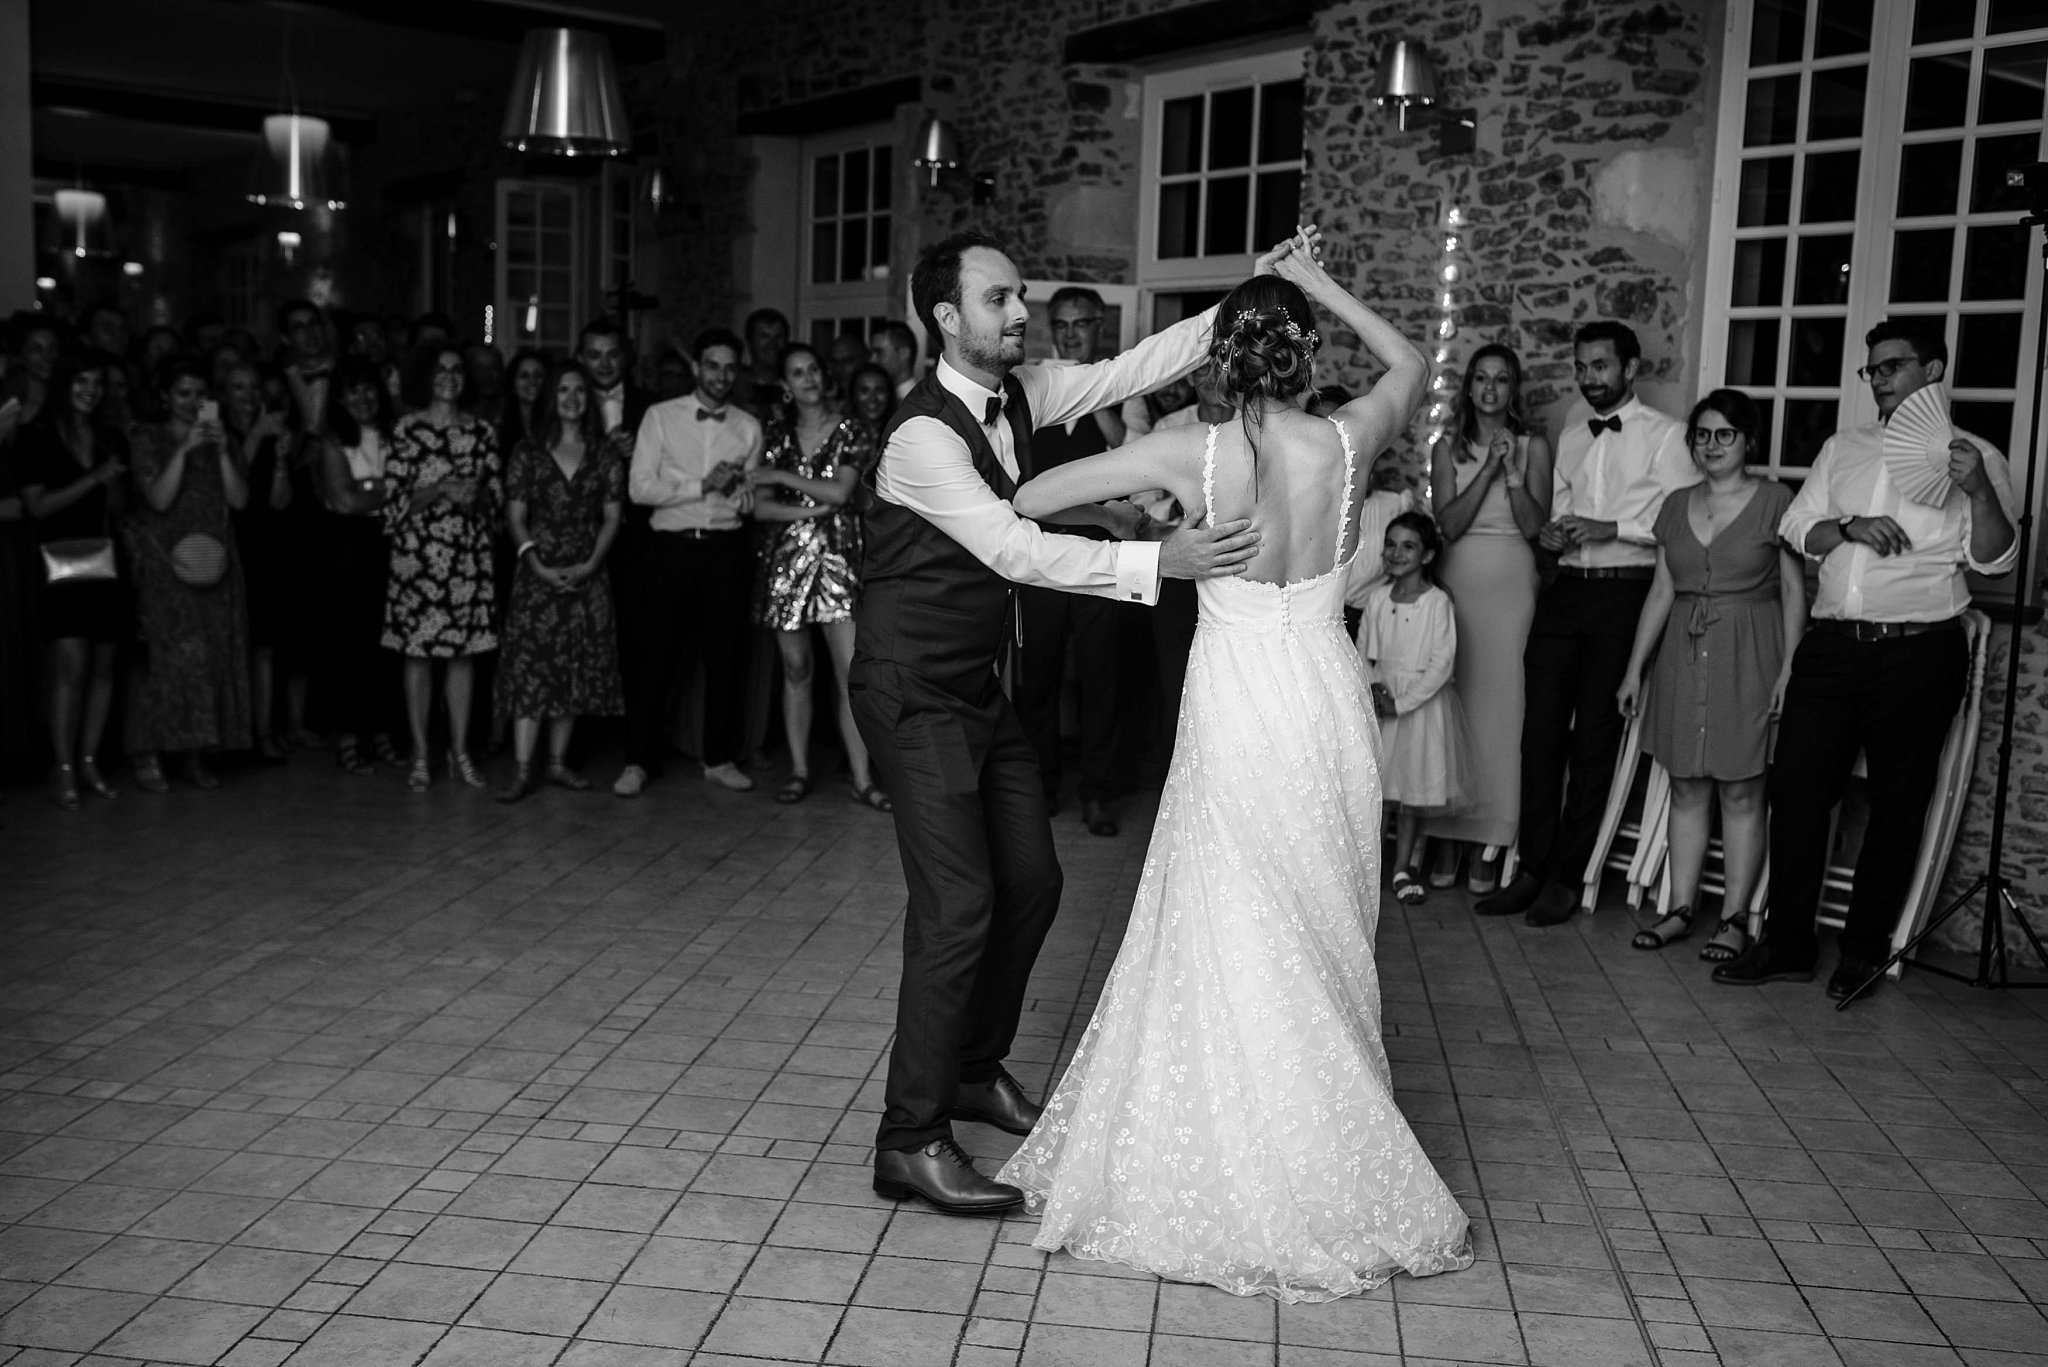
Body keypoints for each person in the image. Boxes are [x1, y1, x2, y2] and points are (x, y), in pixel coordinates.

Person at [996, 232, 1473, 1298]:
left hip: (1235, 690)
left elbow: (1027, 499)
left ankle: (1234, 1150)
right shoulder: (1350, 439)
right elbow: (1413, 364)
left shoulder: (1187, 453)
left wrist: (1143, 538)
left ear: (1222, 358)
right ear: (1304, 354)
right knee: (1317, 913)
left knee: (1228, 909)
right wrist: (1317, 280)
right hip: (1321, 690)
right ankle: (1326, 1160)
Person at [850, 228, 1266, 1217]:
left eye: (1019, 295)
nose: (1018, 311)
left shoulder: (1025, 391)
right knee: (957, 906)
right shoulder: (919, 436)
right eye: (998, 299)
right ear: (947, 317)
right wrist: (1153, 564)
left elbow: (1134, 364)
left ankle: (971, 1066)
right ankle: (908, 1138)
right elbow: (1010, 549)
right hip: (912, 692)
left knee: (1031, 882)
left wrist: (1250, 298)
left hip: (975, 688)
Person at [1715, 319, 2018, 1003]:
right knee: (1795, 790)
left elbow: (1997, 558)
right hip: (1830, 646)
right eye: (1871, 368)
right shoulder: (1842, 448)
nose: (1878, 378)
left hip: (1918, 650)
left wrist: (1977, 491)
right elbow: (1797, 528)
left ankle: (1863, 952)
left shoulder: (1981, 458)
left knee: (1896, 803)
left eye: (1893, 365)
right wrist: (1847, 527)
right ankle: (1787, 942)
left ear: (1933, 370)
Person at [1476, 321, 1693, 926]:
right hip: (1565, 589)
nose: (1589, 377)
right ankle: (1531, 867)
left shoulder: (1669, 437)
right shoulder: (1572, 434)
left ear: (1629, 368)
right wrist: (1555, 531)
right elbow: (1565, 512)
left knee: (1594, 739)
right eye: (1582, 366)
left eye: (1600, 366)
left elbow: (1683, 525)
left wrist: (1615, 529)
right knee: (1539, 731)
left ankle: (1566, 877)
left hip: (1625, 596)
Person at [1617, 389, 1804, 960]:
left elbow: (1796, 590)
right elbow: (1662, 590)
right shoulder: (1675, 504)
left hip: (1752, 651)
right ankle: (1679, 908)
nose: (1712, 444)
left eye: (1725, 434)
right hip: (1682, 652)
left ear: (1748, 440)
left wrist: (1790, 669)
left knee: (1744, 790)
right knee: (1686, 785)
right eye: (1702, 434)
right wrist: (1633, 670)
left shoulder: (1776, 501)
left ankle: (1735, 919)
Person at [615, 327, 763, 797]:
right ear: (697, 367)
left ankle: (718, 758)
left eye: (729, 367)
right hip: (669, 550)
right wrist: (700, 485)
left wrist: (737, 492)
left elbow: (749, 501)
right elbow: (640, 488)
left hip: (725, 549)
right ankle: (638, 761)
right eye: (712, 365)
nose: (720, 375)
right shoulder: (658, 418)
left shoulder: (748, 427)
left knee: (725, 660)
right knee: (654, 657)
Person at [1424, 344, 1551, 893]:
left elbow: (1534, 528)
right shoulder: (1446, 448)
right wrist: (1491, 468)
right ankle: (1446, 835)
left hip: (1513, 589)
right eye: (1482, 379)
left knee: (1504, 713)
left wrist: (1516, 472)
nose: (1491, 389)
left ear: (1512, 388)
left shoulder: (1535, 447)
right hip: (1459, 585)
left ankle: (1492, 840)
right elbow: (1448, 525)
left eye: (1502, 380)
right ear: (1469, 387)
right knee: (1455, 711)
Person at [746, 344, 888, 809]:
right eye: (796, 373)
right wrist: (816, 506)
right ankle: (800, 771)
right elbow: (760, 507)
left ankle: (863, 778)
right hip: (785, 562)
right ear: (785, 386)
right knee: (796, 669)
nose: (806, 379)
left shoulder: (853, 429)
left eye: (812, 370)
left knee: (850, 674)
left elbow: (841, 490)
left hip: (839, 559)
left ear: (823, 377)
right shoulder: (776, 433)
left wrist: (783, 478)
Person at [1014, 286, 1132, 835]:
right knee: (1036, 675)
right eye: (1060, 326)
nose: (1069, 335)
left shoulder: (1124, 386)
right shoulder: (1031, 388)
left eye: (1079, 325)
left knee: (1101, 677)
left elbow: (1126, 447)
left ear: (1098, 328)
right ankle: (1040, 785)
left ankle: (1100, 790)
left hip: (1101, 557)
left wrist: (1097, 390)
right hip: (1039, 555)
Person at [494, 361, 625, 801]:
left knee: (573, 666)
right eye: (563, 390)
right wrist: (535, 563)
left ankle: (556, 764)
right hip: (537, 571)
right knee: (532, 667)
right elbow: (514, 517)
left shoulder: (604, 452)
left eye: (580, 391)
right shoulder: (528, 451)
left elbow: (611, 516)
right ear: (552, 397)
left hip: (587, 569)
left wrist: (590, 564)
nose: (572, 398)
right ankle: (522, 768)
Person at [124, 358, 252, 791]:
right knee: (169, 659)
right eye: (184, 394)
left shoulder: (221, 438)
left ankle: (197, 754)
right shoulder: (147, 437)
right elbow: (157, 499)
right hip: (165, 563)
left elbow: (240, 500)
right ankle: (150, 753)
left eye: (200, 394)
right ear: (165, 396)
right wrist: (183, 449)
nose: (194, 403)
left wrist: (219, 452)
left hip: (215, 562)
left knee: (209, 658)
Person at [381, 344, 502, 792]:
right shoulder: (406, 431)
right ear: (425, 377)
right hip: (417, 561)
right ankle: (419, 753)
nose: (449, 376)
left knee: (463, 656)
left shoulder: (483, 433)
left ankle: (460, 752)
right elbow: (393, 505)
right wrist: (442, 488)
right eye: (440, 369)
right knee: (417, 656)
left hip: (467, 558)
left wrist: (479, 496)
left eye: (456, 369)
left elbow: (498, 500)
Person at [18, 353, 130, 807]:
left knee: (105, 665)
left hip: (107, 558)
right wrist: (93, 479)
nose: (90, 389)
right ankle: (62, 765)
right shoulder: (36, 436)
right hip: (59, 559)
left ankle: (89, 760)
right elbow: (38, 507)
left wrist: (115, 482)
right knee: (71, 664)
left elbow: (121, 509)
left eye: (98, 382)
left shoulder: (110, 436)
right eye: (82, 380)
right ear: (65, 383)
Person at [1361, 512, 1472, 903]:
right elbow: (1363, 654)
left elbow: (1443, 662)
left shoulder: (1437, 602)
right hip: (1382, 705)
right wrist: (1376, 690)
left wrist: (1403, 702)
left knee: (1409, 792)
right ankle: (1368, 868)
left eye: (1408, 546)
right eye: (1390, 544)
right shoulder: (1375, 599)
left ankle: (1402, 867)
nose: (1396, 553)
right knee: (1378, 791)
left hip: (1420, 709)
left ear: (1426, 556)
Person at [316, 360, 402, 775]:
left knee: (389, 640)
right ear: (340, 398)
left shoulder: (396, 433)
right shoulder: (334, 441)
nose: (363, 398)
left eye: (369, 389)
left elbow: (406, 488)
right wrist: (386, 489)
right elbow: (346, 501)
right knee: (351, 641)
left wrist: (370, 488)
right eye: (353, 391)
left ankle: (382, 729)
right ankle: (350, 734)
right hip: (350, 547)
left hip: (391, 542)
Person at [221, 361, 303, 761]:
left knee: (266, 645)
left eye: (254, 387)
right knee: (232, 642)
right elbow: (232, 489)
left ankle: (265, 732)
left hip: (265, 543)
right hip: (224, 542)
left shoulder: (272, 433)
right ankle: (233, 734)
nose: (249, 395)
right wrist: (254, 436)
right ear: (223, 393)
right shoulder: (217, 430)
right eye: (239, 387)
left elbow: (278, 501)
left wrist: (284, 459)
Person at [735, 307, 790, 418]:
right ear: (750, 342)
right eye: (764, 336)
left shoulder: (794, 385)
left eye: (778, 336)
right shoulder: (736, 386)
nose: (773, 343)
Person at [871, 320, 921, 402]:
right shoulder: (878, 401)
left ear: (904, 354)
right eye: (872, 354)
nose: (872, 360)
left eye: (879, 352)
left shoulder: (922, 403)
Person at [847, 362, 897, 431]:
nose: (872, 398)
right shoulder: (843, 433)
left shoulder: (901, 430)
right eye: (864, 391)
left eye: (880, 390)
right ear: (853, 396)